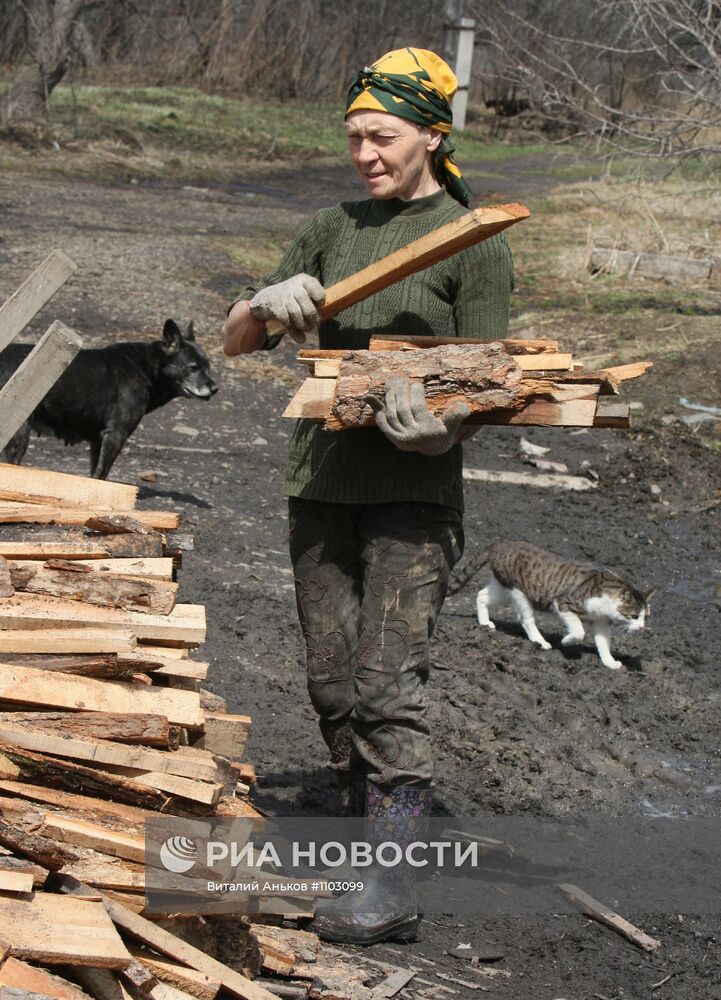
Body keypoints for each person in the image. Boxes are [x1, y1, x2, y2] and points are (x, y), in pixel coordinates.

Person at [222, 46, 514, 944]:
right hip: (320, 486)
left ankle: (390, 883)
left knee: (388, 687)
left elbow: (493, 381)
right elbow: (235, 342)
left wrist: (449, 430)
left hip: (413, 495)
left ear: (431, 134)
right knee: (329, 684)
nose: (364, 154)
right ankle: (364, 838)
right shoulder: (327, 228)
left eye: (380, 136)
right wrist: (263, 302)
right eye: (353, 137)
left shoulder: (472, 239)